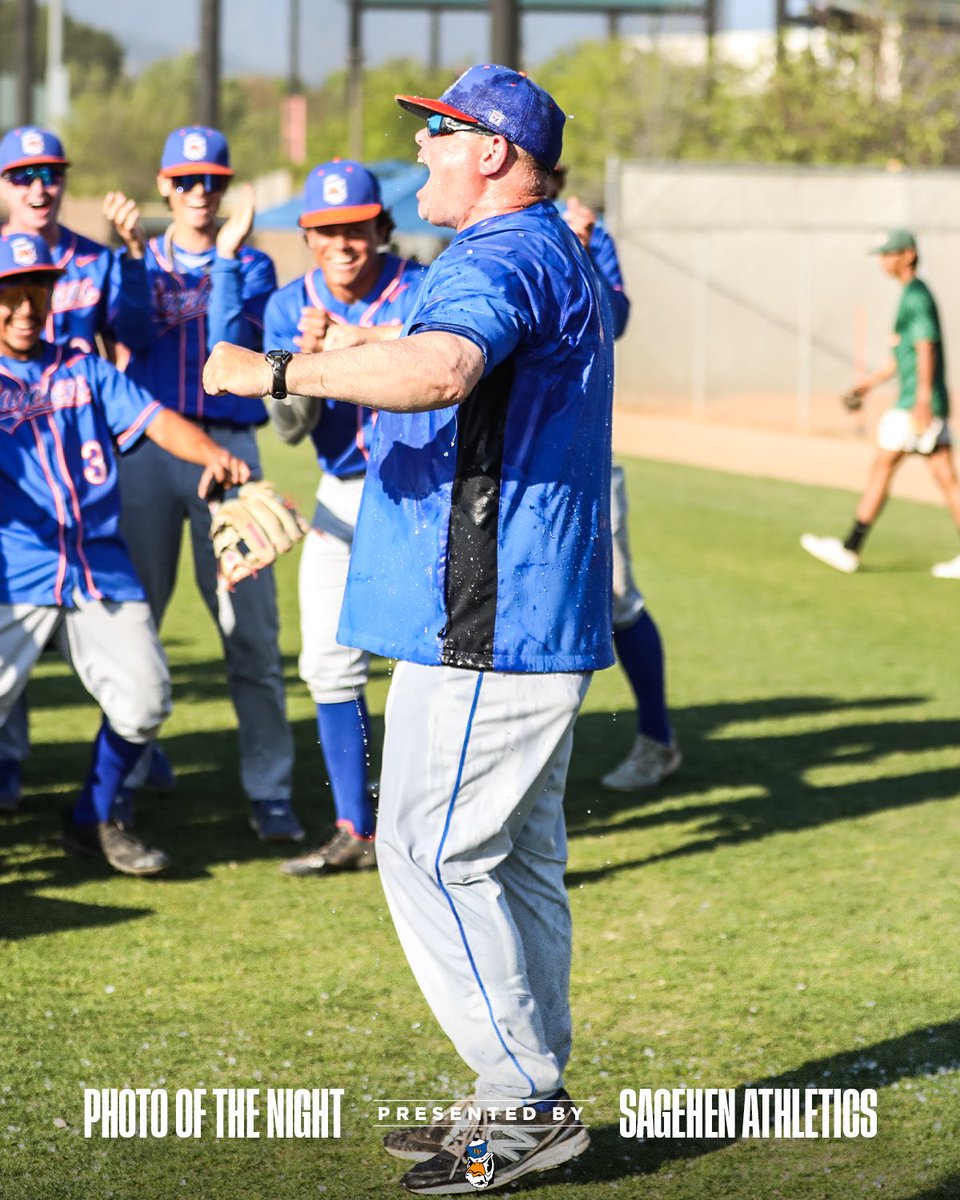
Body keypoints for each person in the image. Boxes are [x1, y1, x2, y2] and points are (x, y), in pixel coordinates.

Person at [204, 64, 610, 1193]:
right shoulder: (524, 249)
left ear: (492, 151)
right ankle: (520, 1097)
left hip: (489, 619)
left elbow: (441, 370)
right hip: (517, 613)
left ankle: (523, 1104)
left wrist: (279, 365)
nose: (419, 152)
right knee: (516, 864)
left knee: (433, 854)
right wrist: (336, 356)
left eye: (436, 134)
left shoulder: (505, 250)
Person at [0, 231, 249, 874]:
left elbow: (156, 418)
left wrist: (213, 454)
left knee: (145, 699)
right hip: (15, 572)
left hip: (97, 567)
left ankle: (91, 817)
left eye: (38, 290)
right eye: (11, 292)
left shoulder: (82, 369)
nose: (26, 306)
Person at [105, 125, 303, 843]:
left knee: (250, 634)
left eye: (212, 181)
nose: (200, 192)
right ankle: (123, 778)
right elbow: (128, 333)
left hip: (230, 450)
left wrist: (222, 260)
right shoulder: (139, 258)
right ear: (164, 186)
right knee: (136, 621)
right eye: (186, 181)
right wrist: (129, 258)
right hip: (152, 447)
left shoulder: (250, 265)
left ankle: (271, 789)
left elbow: (231, 350)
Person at [263, 159, 427, 876]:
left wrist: (362, 342)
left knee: (429, 662)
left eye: (354, 228)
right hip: (340, 492)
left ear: (380, 229)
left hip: (422, 494)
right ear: (307, 234)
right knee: (328, 664)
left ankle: (425, 826)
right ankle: (354, 829)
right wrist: (301, 362)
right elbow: (291, 430)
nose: (342, 243)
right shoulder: (285, 307)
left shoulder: (421, 288)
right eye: (326, 230)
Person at [0, 124, 164, 813]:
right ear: (4, 184)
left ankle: (122, 773)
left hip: (77, 445)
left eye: (51, 173)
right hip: (14, 462)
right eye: (23, 174)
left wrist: (130, 257)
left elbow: (135, 337)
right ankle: (10, 767)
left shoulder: (92, 261)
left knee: (119, 629)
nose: (40, 186)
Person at [546, 165, 680, 791]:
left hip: (582, 451)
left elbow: (614, 319)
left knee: (618, 598)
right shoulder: (482, 225)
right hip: (504, 460)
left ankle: (657, 739)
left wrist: (581, 248)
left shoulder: (584, 231)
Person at [801, 228, 960, 577]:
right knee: (945, 476)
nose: (883, 261)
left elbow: (925, 346)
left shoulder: (916, 296)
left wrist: (921, 399)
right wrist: (867, 386)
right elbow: (899, 356)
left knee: (883, 465)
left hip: (915, 403)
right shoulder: (911, 294)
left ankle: (850, 548)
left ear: (908, 255)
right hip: (922, 398)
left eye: (889, 254)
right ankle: (850, 548)